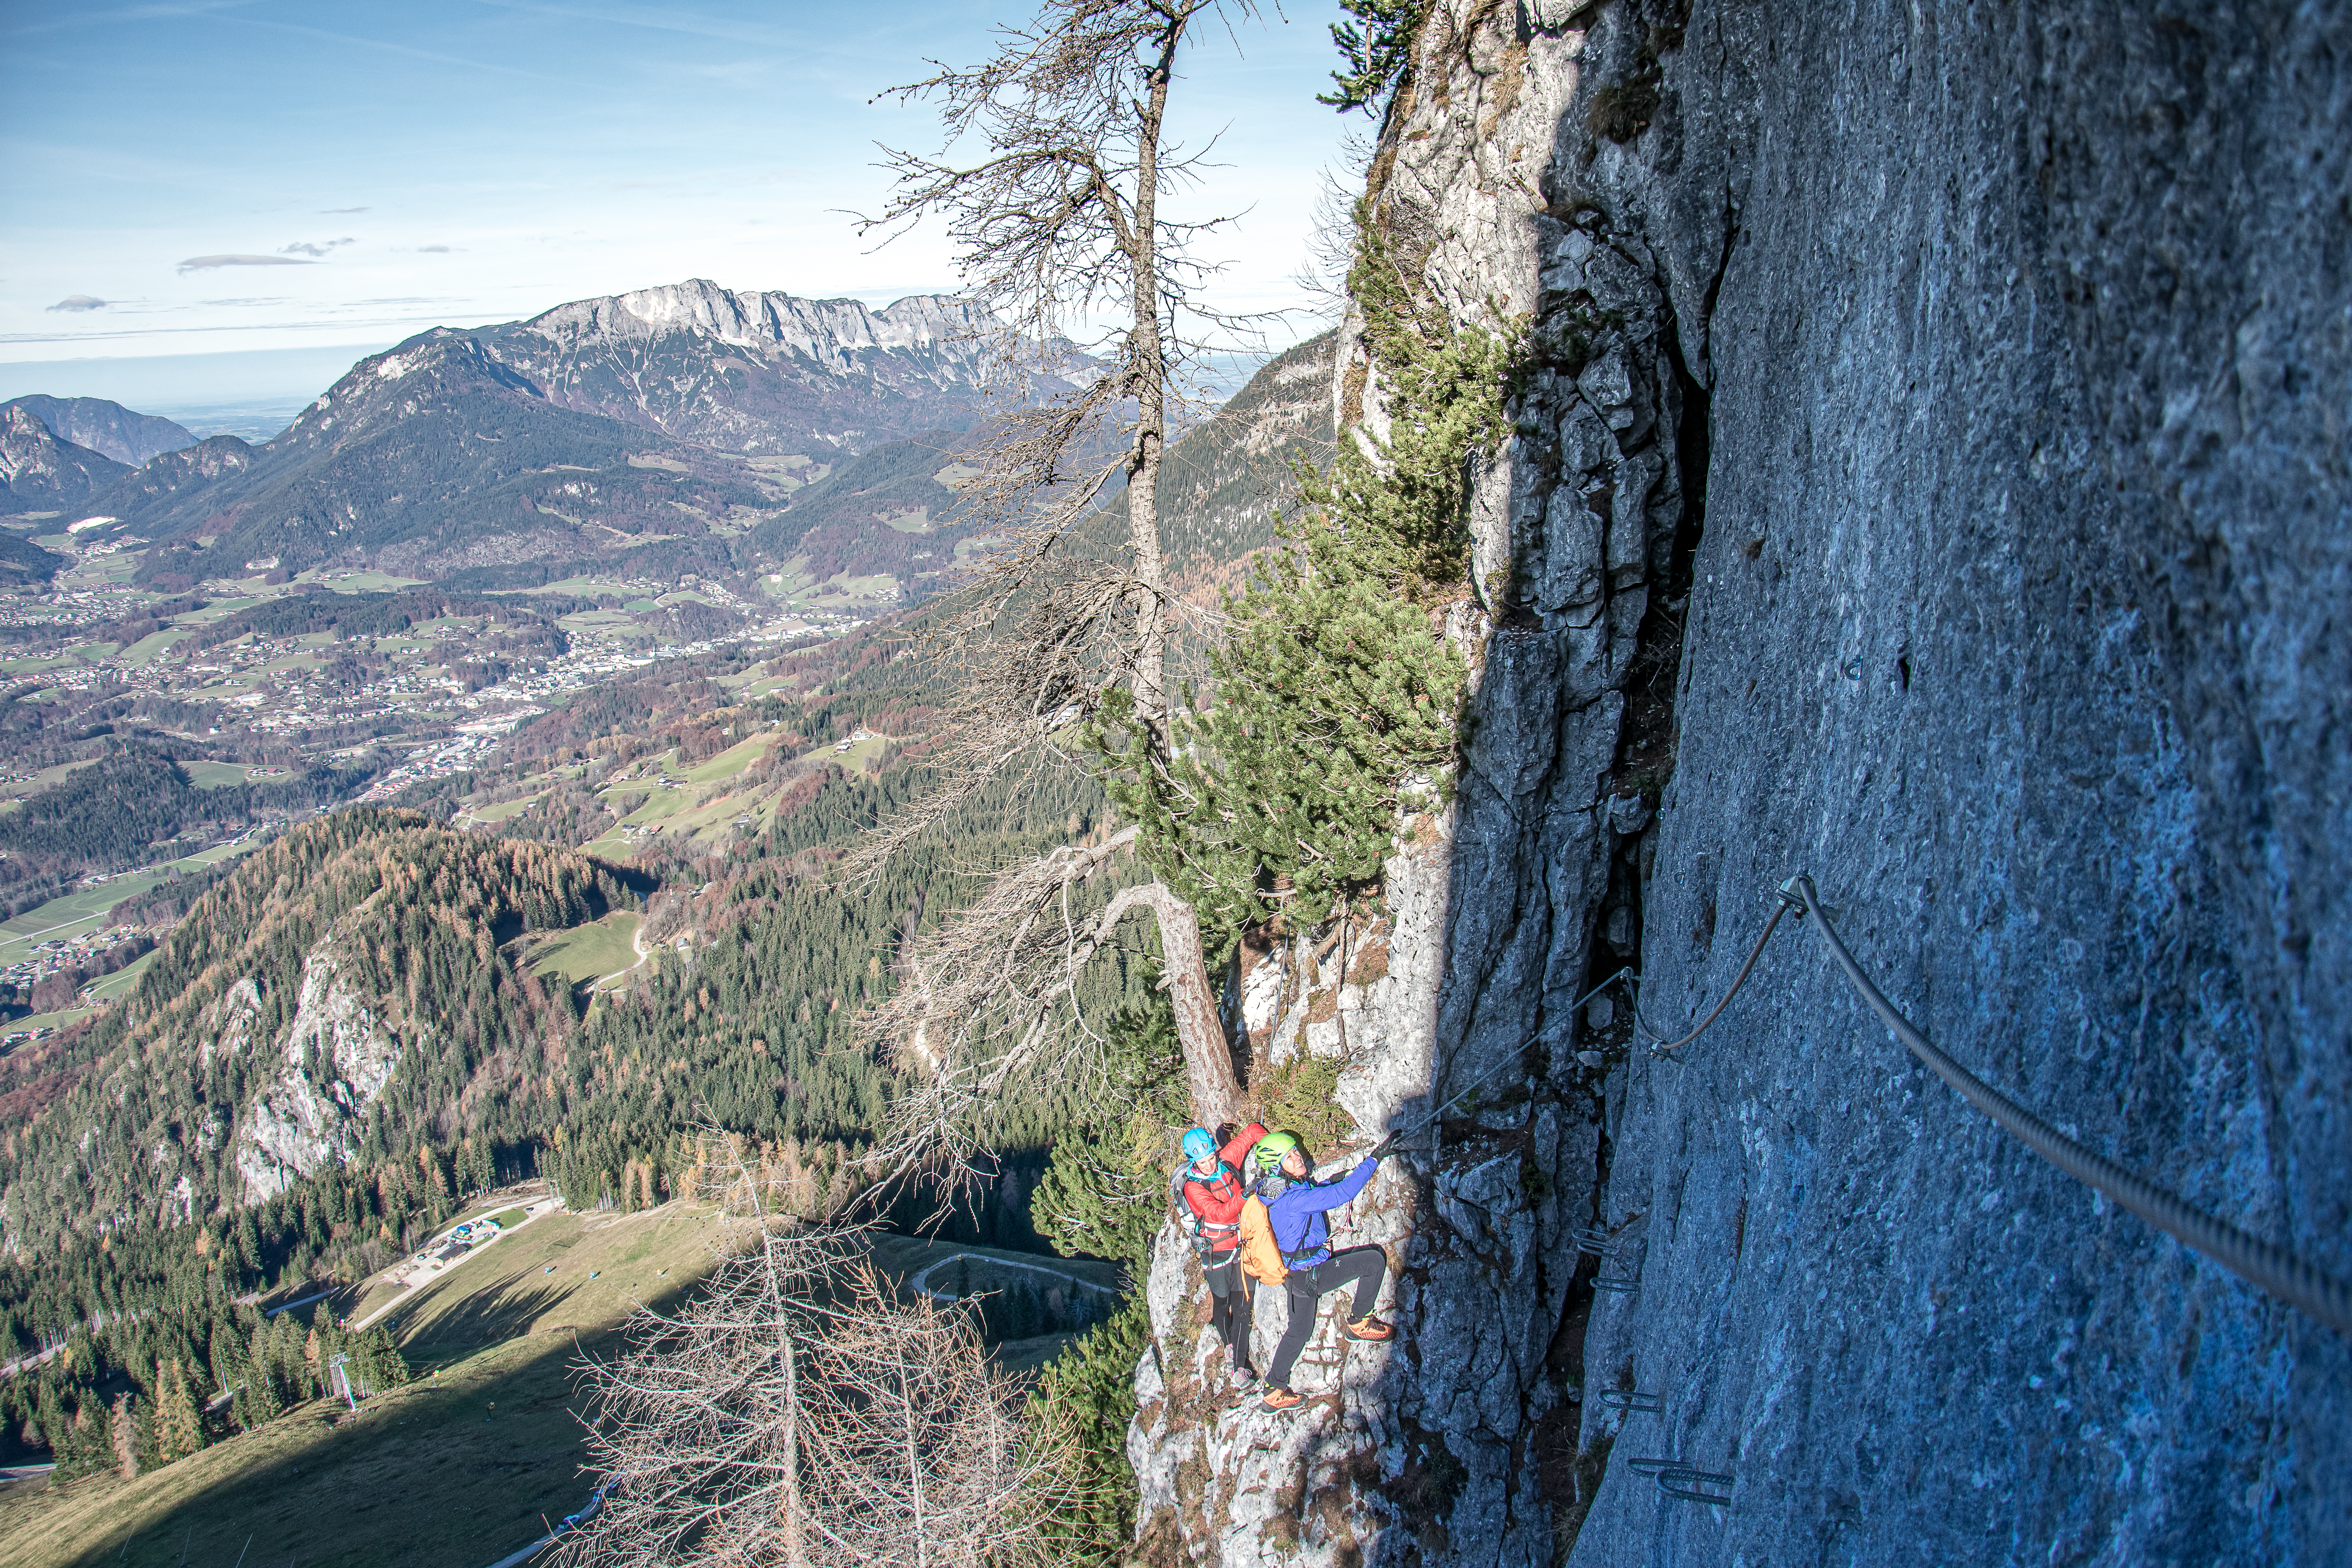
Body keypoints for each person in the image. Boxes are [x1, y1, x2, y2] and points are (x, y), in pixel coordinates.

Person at [1245, 1131, 1394, 1412]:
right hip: (1312, 1274)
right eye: (1289, 1157)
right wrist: (1375, 1159)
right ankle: (1359, 1323)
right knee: (1373, 1262)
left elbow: (1313, 1194)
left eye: (1295, 1151)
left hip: (1296, 1276)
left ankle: (1273, 1389)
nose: (1298, 1157)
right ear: (1277, 1166)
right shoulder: (1290, 1199)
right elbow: (1341, 1196)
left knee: (1299, 1331)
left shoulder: (1274, 1189)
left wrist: (1330, 1181)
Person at [1170, 1121, 1267, 1381]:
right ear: (1193, 1162)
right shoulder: (1192, 1188)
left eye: (1211, 1158)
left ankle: (1238, 1368)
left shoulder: (1225, 1160)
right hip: (1216, 1252)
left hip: (1241, 1243)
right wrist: (1246, 1194)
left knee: (1243, 1304)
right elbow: (1219, 1214)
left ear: (1215, 1151)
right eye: (1202, 1162)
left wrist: (1271, 1145)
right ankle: (1228, 1344)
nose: (1210, 1165)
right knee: (1222, 1302)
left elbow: (1250, 1133)